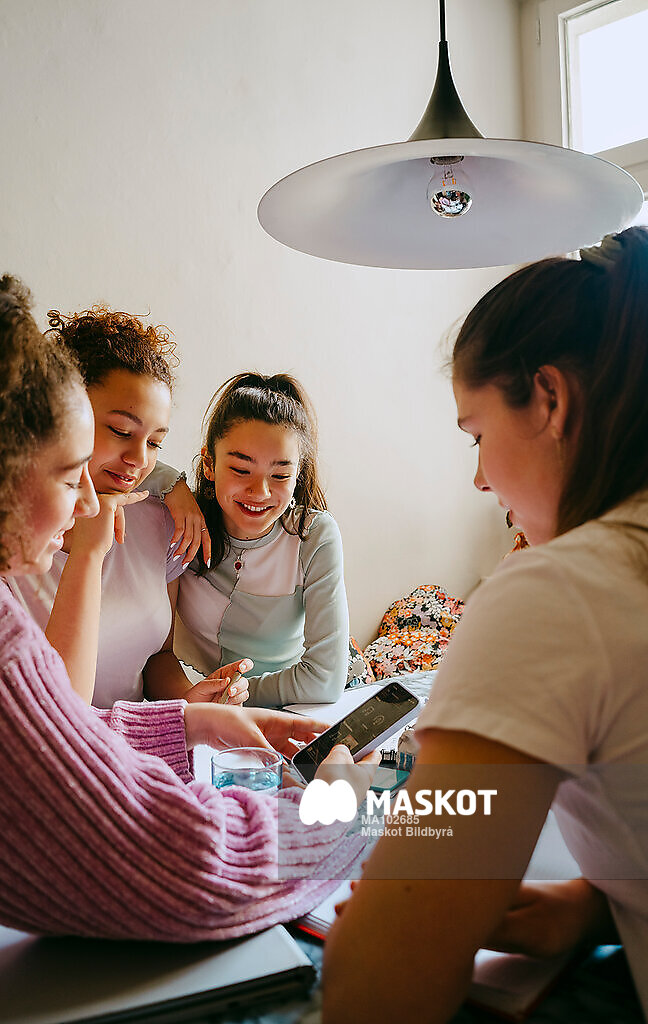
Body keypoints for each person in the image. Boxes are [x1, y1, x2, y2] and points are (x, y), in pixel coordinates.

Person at [323, 227, 648, 1024]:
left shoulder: (559, 590)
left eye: (477, 435)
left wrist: (354, 822)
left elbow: (375, 993)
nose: (480, 479)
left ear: (549, 400)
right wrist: (596, 906)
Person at [0, 273, 374, 941]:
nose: (89, 499)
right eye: (67, 470)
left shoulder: (165, 519)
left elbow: (54, 730)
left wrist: (189, 721)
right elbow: (184, 866)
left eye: (154, 442)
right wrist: (337, 809)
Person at [10, 306, 249, 708]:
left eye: (155, 442)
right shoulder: (16, 546)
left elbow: (156, 656)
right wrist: (89, 550)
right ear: (61, 415)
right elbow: (56, 717)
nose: (139, 459)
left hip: (138, 742)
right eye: (121, 431)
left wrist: (191, 705)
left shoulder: (160, 519)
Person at [174, 372, 350, 707]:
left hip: (285, 706)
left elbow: (324, 681)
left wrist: (228, 696)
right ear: (209, 464)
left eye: (281, 475)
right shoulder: (183, 521)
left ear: (298, 475)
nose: (260, 492)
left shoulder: (313, 537)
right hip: (187, 699)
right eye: (241, 470)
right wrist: (172, 484)